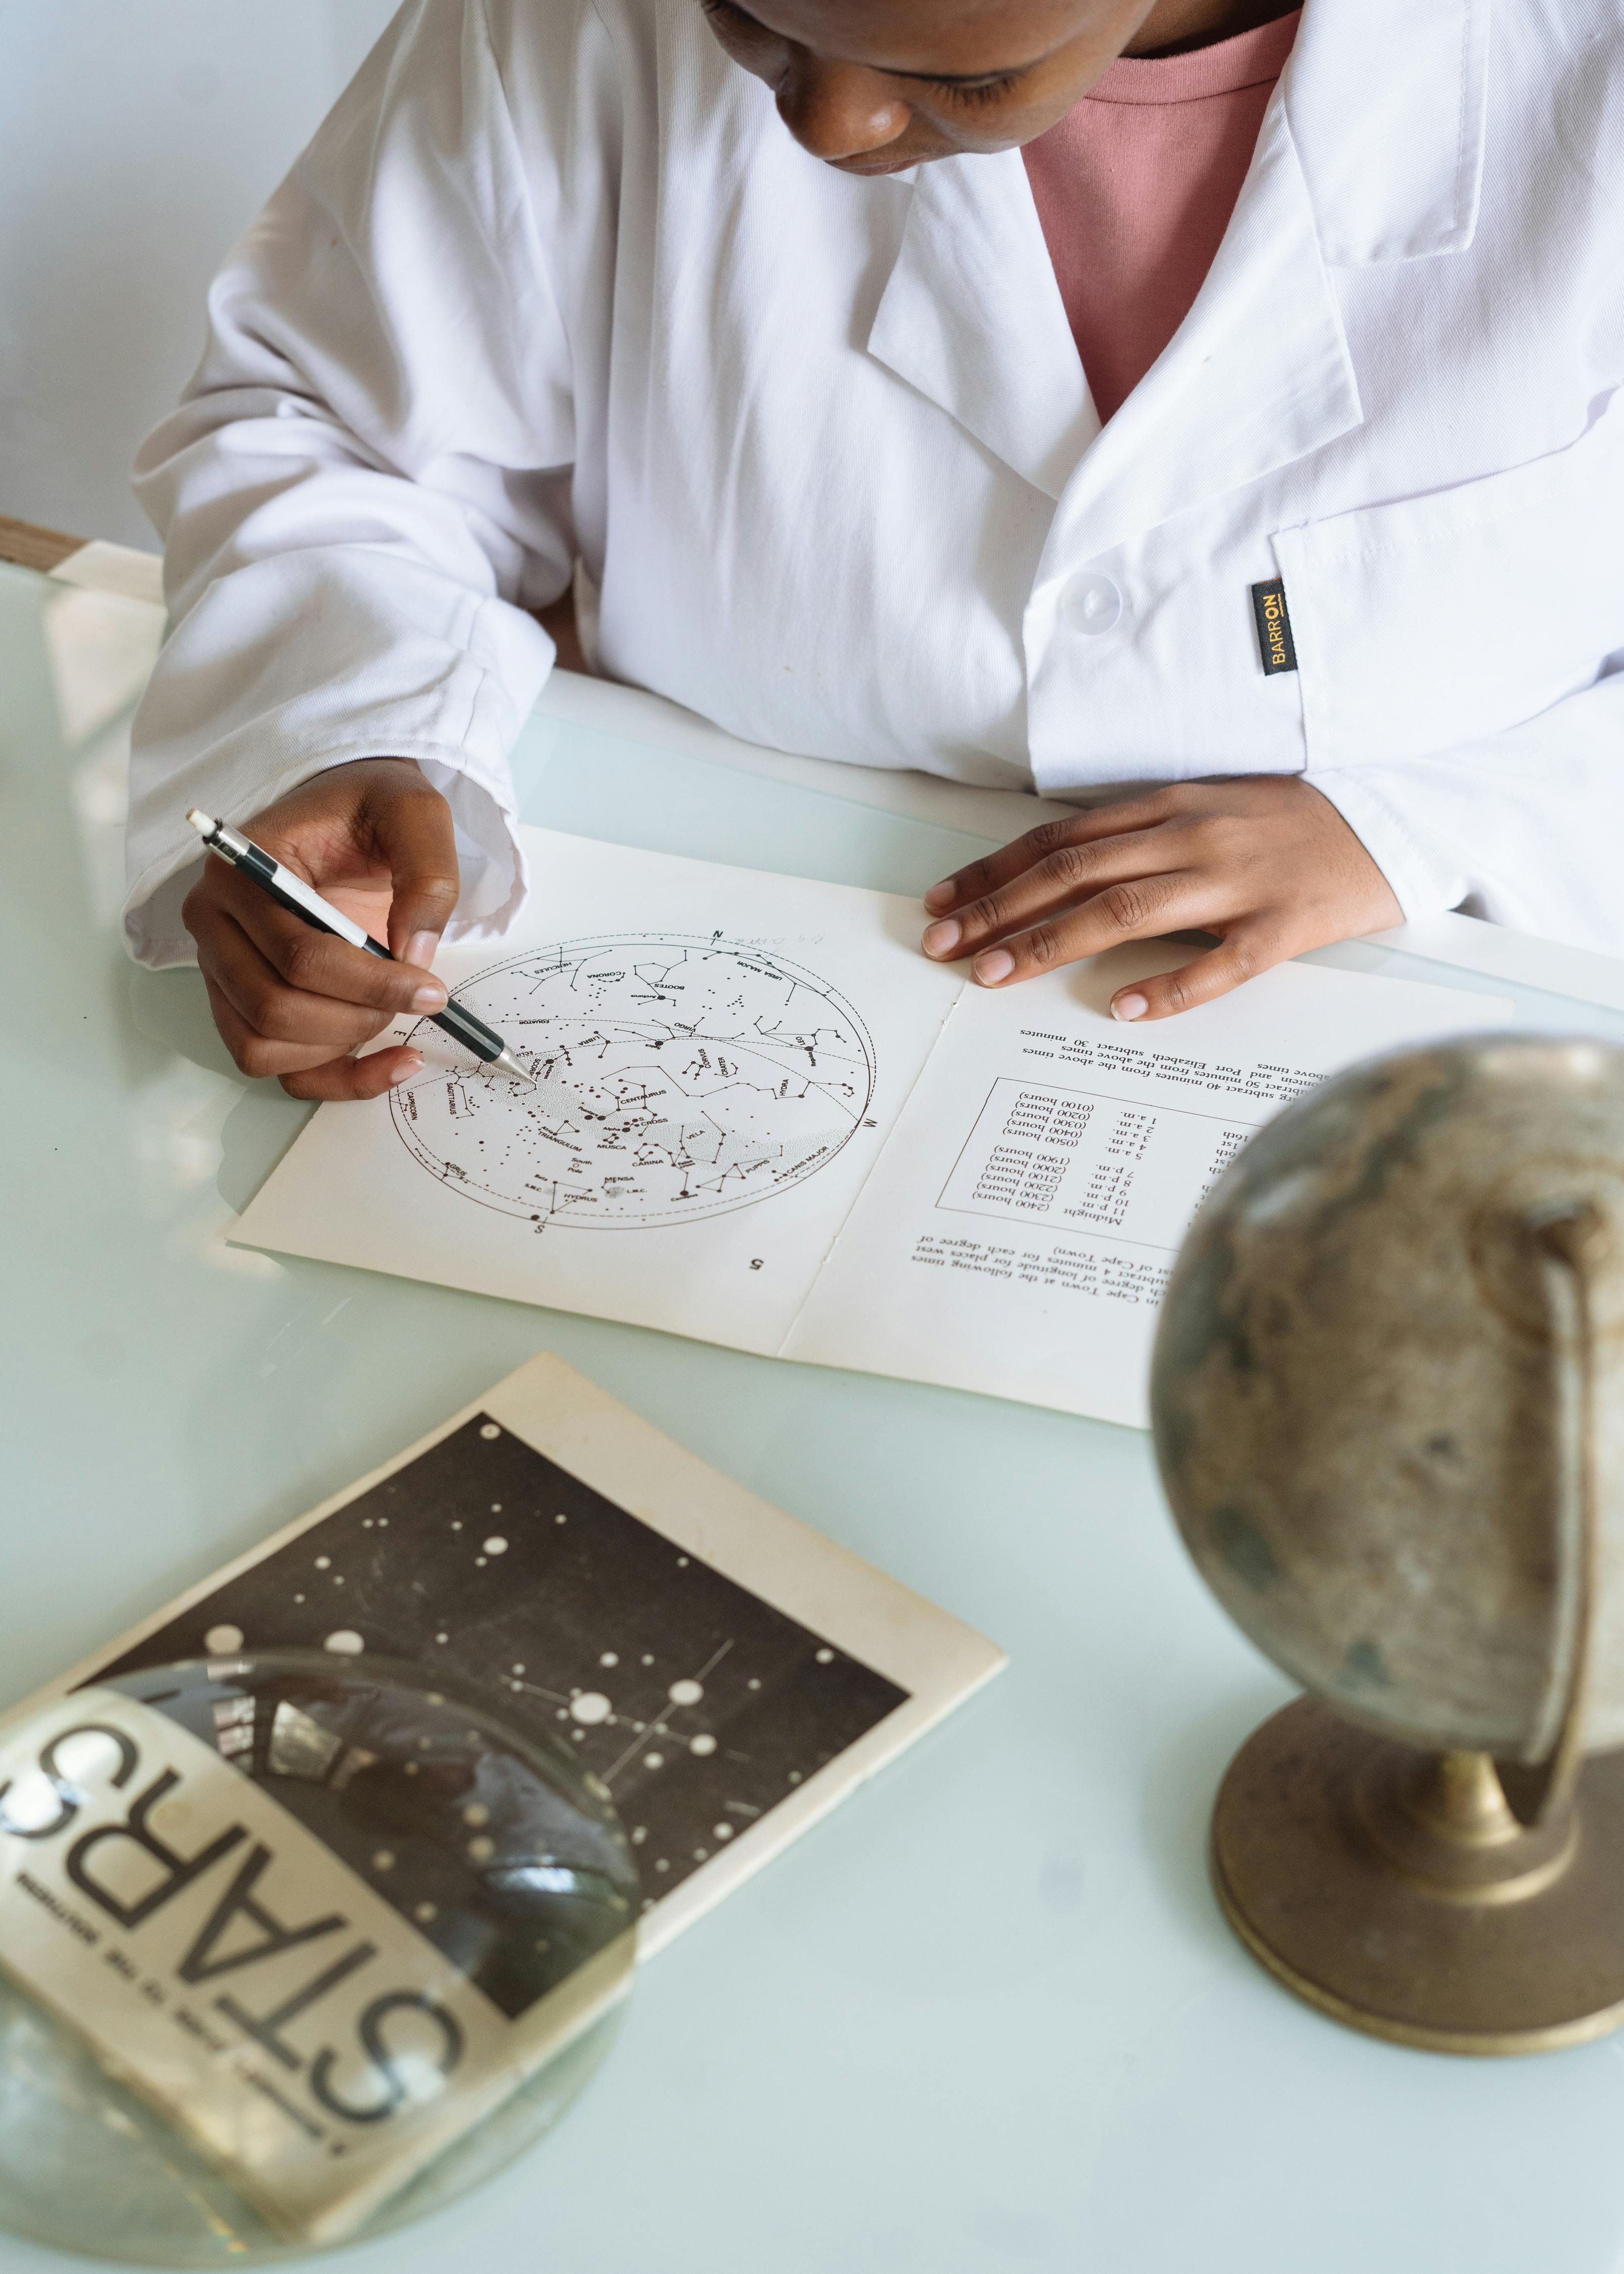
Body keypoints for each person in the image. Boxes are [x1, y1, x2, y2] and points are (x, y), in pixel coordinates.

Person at [124, 0, 1622, 1100]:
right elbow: (330, 432)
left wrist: (1435, 831)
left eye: (964, 74)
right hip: (724, 955)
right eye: (754, 25)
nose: (828, 129)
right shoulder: (571, 25)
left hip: (1447, 1033)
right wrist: (355, 733)